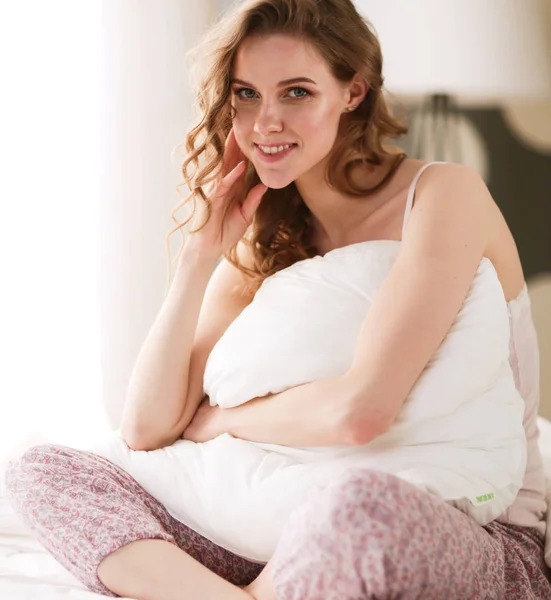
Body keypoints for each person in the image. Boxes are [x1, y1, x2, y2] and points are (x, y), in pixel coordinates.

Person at [4, 0, 551, 598]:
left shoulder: (443, 194)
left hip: (464, 529)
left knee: (361, 509)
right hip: (270, 528)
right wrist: (200, 257)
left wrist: (219, 422)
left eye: (295, 92)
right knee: (44, 470)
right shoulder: (266, 236)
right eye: (245, 93)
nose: (265, 121)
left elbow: (359, 413)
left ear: (353, 93)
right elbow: (146, 429)